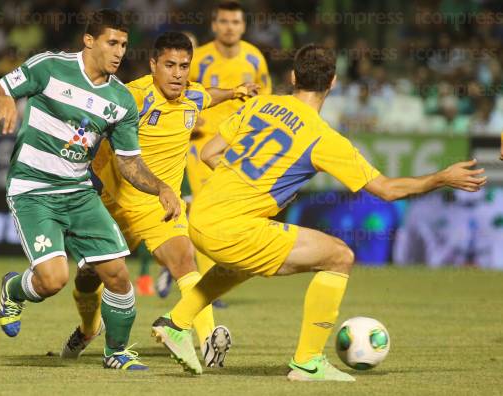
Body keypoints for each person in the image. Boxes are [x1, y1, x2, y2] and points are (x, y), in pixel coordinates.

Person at [151, 44, 487, 379]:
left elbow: (210, 152)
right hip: (232, 226)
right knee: (339, 256)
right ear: (334, 83)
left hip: (202, 214)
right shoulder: (325, 139)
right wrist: (442, 177)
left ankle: (177, 323)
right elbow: (388, 190)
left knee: (241, 264)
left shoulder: (262, 104)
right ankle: (308, 362)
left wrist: (241, 189)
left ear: (293, 76)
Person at [0, 9, 181, 371]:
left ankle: (116, 353)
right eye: (112, 42)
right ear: (89, 40)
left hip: (79, 192)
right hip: (33, 189)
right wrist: (6, 99)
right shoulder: (49, 67)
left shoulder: (121, 101)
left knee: (118, 273)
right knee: (53, 280)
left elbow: (129, 162)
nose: (119, 52)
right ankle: (13, 290)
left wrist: (161, 188)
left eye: (124, 44)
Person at [60, 32, 258, 369]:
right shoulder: (133, 96)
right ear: (154, 65)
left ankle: (208, 341)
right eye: (169, 65)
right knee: (88, 278)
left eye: (184, 66)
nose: (178, 74)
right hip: (115, 205)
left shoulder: (191, 97)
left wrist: (235, 92)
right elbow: (91, 112)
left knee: (184, 260)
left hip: (159, 204)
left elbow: (206, 95)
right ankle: (88, 327)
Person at [186, 1, 272, 298]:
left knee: (227, 212)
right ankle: (204, 286)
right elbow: (181, 91)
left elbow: (264, 100)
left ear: (243, 26)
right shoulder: (200, 58)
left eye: (235, 22)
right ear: (214, 24)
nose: (229, 27)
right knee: (203, 208)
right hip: (202, 144)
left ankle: (205, 273)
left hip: (238, 145)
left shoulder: (255, 59)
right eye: (224, 21)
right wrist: (189, 116)